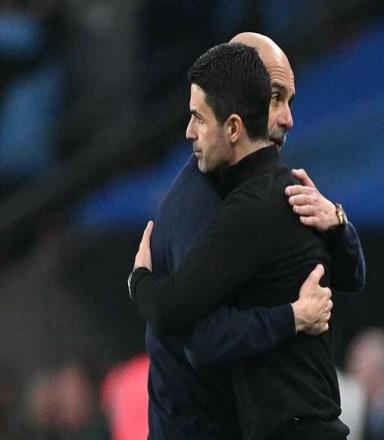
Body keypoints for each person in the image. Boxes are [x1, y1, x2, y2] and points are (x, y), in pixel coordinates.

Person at [130, 41, 362, 439]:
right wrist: (293, 316)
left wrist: (138, 281)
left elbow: (180, 316)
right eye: (275, 97)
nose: (287, 118)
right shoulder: (219, 199)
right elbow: (200, 335)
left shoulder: (257, 203)